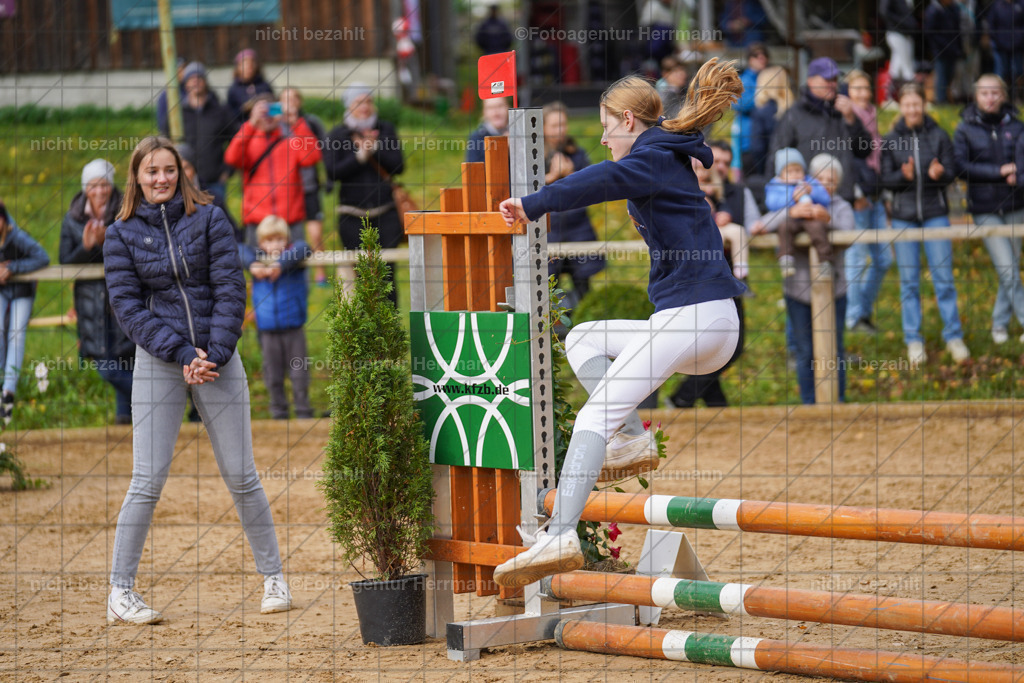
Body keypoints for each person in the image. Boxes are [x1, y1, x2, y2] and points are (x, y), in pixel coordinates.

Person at [492, 59, 745, 587]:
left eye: (606, 125)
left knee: (591, 417)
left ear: (628, 121)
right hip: (697, 319)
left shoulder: (651, 157)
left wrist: (533, 203)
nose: (603, 138)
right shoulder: (661, 154)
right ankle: (631, 439)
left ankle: (559, 533)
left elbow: (602, 179)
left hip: (696, 317)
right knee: (584, 337)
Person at [104, 136, 291, 625]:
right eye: (151, 172)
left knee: (242, 474)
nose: (161, 178)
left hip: (218, 358)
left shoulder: (209, 217)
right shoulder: (120, 234)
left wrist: (215, 353)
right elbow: (128, 309)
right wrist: (182, 353)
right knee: (146, 479)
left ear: (181, 174)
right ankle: (120, 591)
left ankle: (274, 577)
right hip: (160, 361)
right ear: (137, 178)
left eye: (169, 170)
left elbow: (231, 286)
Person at [754, 154, 854, 404]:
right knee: (804, 350)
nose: (825, 183)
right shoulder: (792, 198)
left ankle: (837, 401)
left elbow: (850, 234)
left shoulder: (840, 206)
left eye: (831, 180)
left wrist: (826, 219)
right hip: (798, 290)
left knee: (836, 348)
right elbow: (762, 224)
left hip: (835, 289)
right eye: (820, 178)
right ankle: (809, 403)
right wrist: (793, 209)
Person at [882, 83, 970, 365]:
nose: (912, 109)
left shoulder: (939, 134)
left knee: (944, 279)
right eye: (907, 104)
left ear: (923, 105)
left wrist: (940, 174)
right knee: (909, 283)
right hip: (903, 217)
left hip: (936, 215)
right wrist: (902, 177)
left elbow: (953, 172)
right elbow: (884, 179)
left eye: (916, 104)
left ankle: (954, 336)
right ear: (901, 107)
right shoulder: (891, 138)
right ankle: (913, 340)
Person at [667, 144, 755, 409]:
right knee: (706, 342)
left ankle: (694, 399)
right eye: (715, 161)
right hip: (692, 278)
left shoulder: (734, 192)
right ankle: (695, 399)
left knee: (732, 344)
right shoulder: (676, 187)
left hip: (727, 279)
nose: (720, 167)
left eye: (726, 163)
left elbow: (750, 225)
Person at [59, 160, 134, 425]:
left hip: (123, 296)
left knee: (125, 358)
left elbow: (136, 250)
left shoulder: (127, 210)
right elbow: (65, 262)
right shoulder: (72, 218)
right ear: (85, 188)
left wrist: (108, 241)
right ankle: (156, 396)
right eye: (93, 185)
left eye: (104, 184)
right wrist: (87, 246)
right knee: (105, 365)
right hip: (90, 302)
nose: (100, 191)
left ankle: (125, 418)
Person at [954, 73, 1024, 345]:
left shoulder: (1017, 126)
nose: (990, 97)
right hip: (984, 207)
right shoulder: (964, 128)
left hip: (1017, 204)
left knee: (1010, 267)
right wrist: (999, 171)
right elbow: (961, 167)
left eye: (995, 92)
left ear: (1003, 95)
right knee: (1007, 268)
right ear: (976, 96)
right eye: (984, 93)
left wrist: (1016, 175)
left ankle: (998, 325)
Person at [323, 84, 405, 306]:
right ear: (349, 106)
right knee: (361, 273)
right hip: (351, 215)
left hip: (386, 213)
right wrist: (359, 156)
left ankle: (389, 329)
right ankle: (365, 329)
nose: (364, 107)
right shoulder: (338, 134)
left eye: (368, 101)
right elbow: (332, 171)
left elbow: (398, 167)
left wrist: (375, 150)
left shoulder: (385, 129)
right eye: (358, 102)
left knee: (387, 273)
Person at [769, 57, 872, 210]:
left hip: (842, 199)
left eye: (835, 79)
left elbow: (864, 150)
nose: (832, 84)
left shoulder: (845, 111)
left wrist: (851, 120)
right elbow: (777, 157)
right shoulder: (794, 114)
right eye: (827, 79)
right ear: (811, 81)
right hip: (808, 201)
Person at [239, 215, 313, 420]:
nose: (275, 245)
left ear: (286, 240)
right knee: (273, 375)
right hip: (267, 330)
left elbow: (304, 246)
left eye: (279, 240)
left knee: (299, 375)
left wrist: (279, 265)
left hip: (294, 328)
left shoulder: (294, 259)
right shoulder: (255, 258)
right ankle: (279, 414)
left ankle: (303, 412)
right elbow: (238, 249)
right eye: (270, 240)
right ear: (261, 242)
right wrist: (254, 266)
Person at [224, 93, 321, 247]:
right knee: (261, 269)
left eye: (272, 111)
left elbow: (312, 157)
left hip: (290, 220)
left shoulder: (291, 138)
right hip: (258, 220)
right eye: (263, 112)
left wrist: (296, 122)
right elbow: (232, 158)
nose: (267, 117)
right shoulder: (248, 138)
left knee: (295, 269)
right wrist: (251, 124)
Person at [542, 102, 605, 308]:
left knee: (583, 283)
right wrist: (552, 176)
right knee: (548, 284)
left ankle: (584, 320)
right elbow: (527, 192)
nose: (560, 130)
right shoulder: (535, 156)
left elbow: (590, 188)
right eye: (554, 126)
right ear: (543, 128)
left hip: (578, 228)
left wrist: (569, 175)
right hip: (549, 231)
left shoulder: (577, 153)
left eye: (563, 124)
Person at [843, 70, 892, 334]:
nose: (862, 94)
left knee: (884, 260)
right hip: (858, 199)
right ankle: (854, 319)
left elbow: (877, 159)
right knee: (857, 260)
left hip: (876, 195)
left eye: (866, 88)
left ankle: (861, 312)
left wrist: (884, 194)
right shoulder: (845, 118)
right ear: (847, 91)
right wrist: (855, 193)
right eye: (856, 89)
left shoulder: (872, 115)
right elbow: (844, 159)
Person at [158, 62, 235, 208]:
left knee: (216, 219)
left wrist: (227, 170)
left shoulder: (220, 111)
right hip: (184, 180)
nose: (195, 82)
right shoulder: (176, 113)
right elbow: (165, 142)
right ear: (186, 84)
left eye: (199, 78)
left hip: (214, 179)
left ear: (205, 82)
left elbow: (236, 140)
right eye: (191, 79)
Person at [0, 202, 49, 422]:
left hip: (21, 292)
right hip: (2, 292)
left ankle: (8, 392)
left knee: (16, 334)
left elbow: (42, 257)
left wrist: (12, 269)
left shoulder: (17, 236)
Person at [280, 87, 331, 286]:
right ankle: (293, 271)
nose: (289, 103)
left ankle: (320, 273)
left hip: (309, 186)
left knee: (315, 233)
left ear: (299, 102)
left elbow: (319, 153)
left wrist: (328, 178)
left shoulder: (310, 123)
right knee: (288, 233)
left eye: (293, 99)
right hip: (285, 189)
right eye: (284, 99)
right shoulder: (274, 125)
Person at [765, 148, 833, 277]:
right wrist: (792, 197)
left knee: (818, 229)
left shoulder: (810, 182)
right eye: (789, 171)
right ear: (780, 174)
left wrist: (812, 191)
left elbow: (826, 198)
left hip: (810, 218)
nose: (795, 174)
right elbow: (771, 203)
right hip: (792, 219)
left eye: (798, 170)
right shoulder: (776, 185)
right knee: (784, 228)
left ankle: (825, 261)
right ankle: (786, 259)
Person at [745, 64, 793, 181]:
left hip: (769, 172)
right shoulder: (793, 111)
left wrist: (763, 172)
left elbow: (758, 148)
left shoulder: (760, 112)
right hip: (792, 171)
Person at [731, 43, 770, 180]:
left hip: (767, 139)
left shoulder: (769, 77)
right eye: (756, 55)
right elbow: (739, 104)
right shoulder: (743, 80)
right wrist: (763, 97)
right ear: (749, 59)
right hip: (748, 141)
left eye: (764, 55)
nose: (761, 58)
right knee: (750, 181)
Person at [981, 0, 1024, 103]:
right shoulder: (997, 5)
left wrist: (1020, 39)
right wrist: (997, 40)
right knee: (1001, 73)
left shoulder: (1021, 4)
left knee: (1018, 72)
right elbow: (991, 25)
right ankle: (1002, 98)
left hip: (1018, 46)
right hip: (1000, 47)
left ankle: (1019, 97)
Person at [924, 0, 964, 104]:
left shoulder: (953, 9)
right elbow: (930, 33)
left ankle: (947, 98)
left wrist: (958, 48)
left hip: (953, 50)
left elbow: (957, 30)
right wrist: (943, 46)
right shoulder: (933, 10)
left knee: (950, 75)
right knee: (941, 75)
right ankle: (941, 100)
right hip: (940, 50)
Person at [227, 49, 274, 126]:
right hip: (244, 130)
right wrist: (244, 109)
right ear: (238, 68)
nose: (249, 67)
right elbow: (230, 117)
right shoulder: (233, 90)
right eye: (244, 64)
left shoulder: (264, 86)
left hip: (265, 128)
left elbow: (275, 110)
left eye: (251, 63)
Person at [881, 0, 919, 88]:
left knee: (896, 66)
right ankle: (912, 91)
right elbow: (884, 11)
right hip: (896, 33)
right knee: (907, 68)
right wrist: (903, 23)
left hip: (906, 34)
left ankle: (891, 95)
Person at [466, 97, 510, 163]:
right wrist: (502, 150)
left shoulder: (520, 133)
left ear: (508, 108)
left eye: (500, 106)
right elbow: (473, 170)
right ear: (484, 112)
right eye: (491, 108)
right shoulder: (476, 138)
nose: (496, 112)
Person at [155, 58, 185, 136]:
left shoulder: (192, 92)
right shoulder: (165, 97)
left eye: (184, 70)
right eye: (179, 71)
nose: (183, 74)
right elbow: (161, 124)